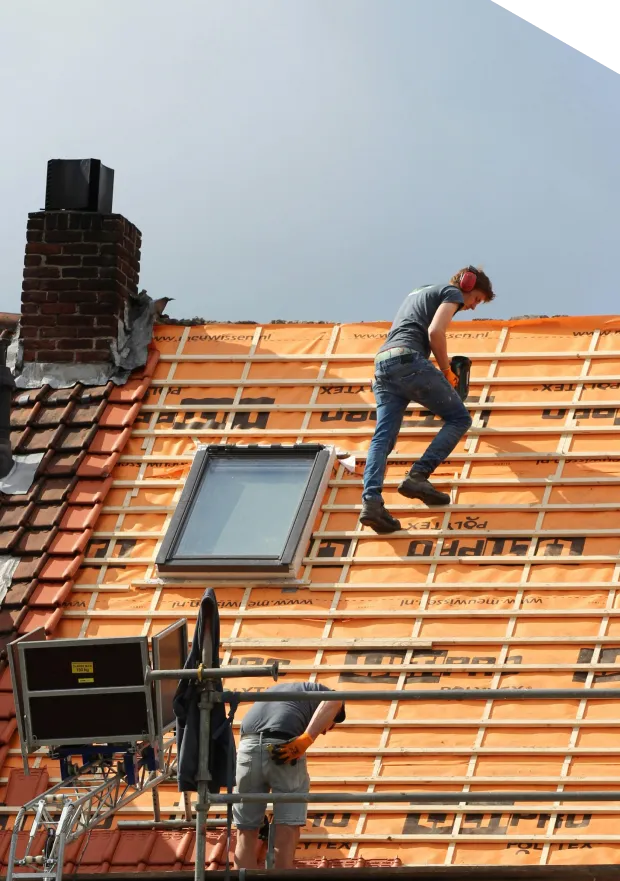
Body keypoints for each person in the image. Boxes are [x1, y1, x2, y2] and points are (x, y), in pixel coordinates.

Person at [360, 266, 495, 534]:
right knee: (459, 418)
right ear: (468, 285)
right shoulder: (453, 293)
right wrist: (446, 371)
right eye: (477, 299)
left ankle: (372, 503)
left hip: (382, 366)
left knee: (382, 438)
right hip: (408, 359)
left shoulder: (420, 292)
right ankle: (418, 476)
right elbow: (435, 332)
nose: (473, 307)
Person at [233, 681, 346, 870]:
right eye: (329, 727)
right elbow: (335, 700)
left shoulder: (279, 692)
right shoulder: (324, 696)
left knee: (246, 829)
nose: (325, 732)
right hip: (284, 744)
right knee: (287, 825)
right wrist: (306, 738)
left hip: (247, 747)